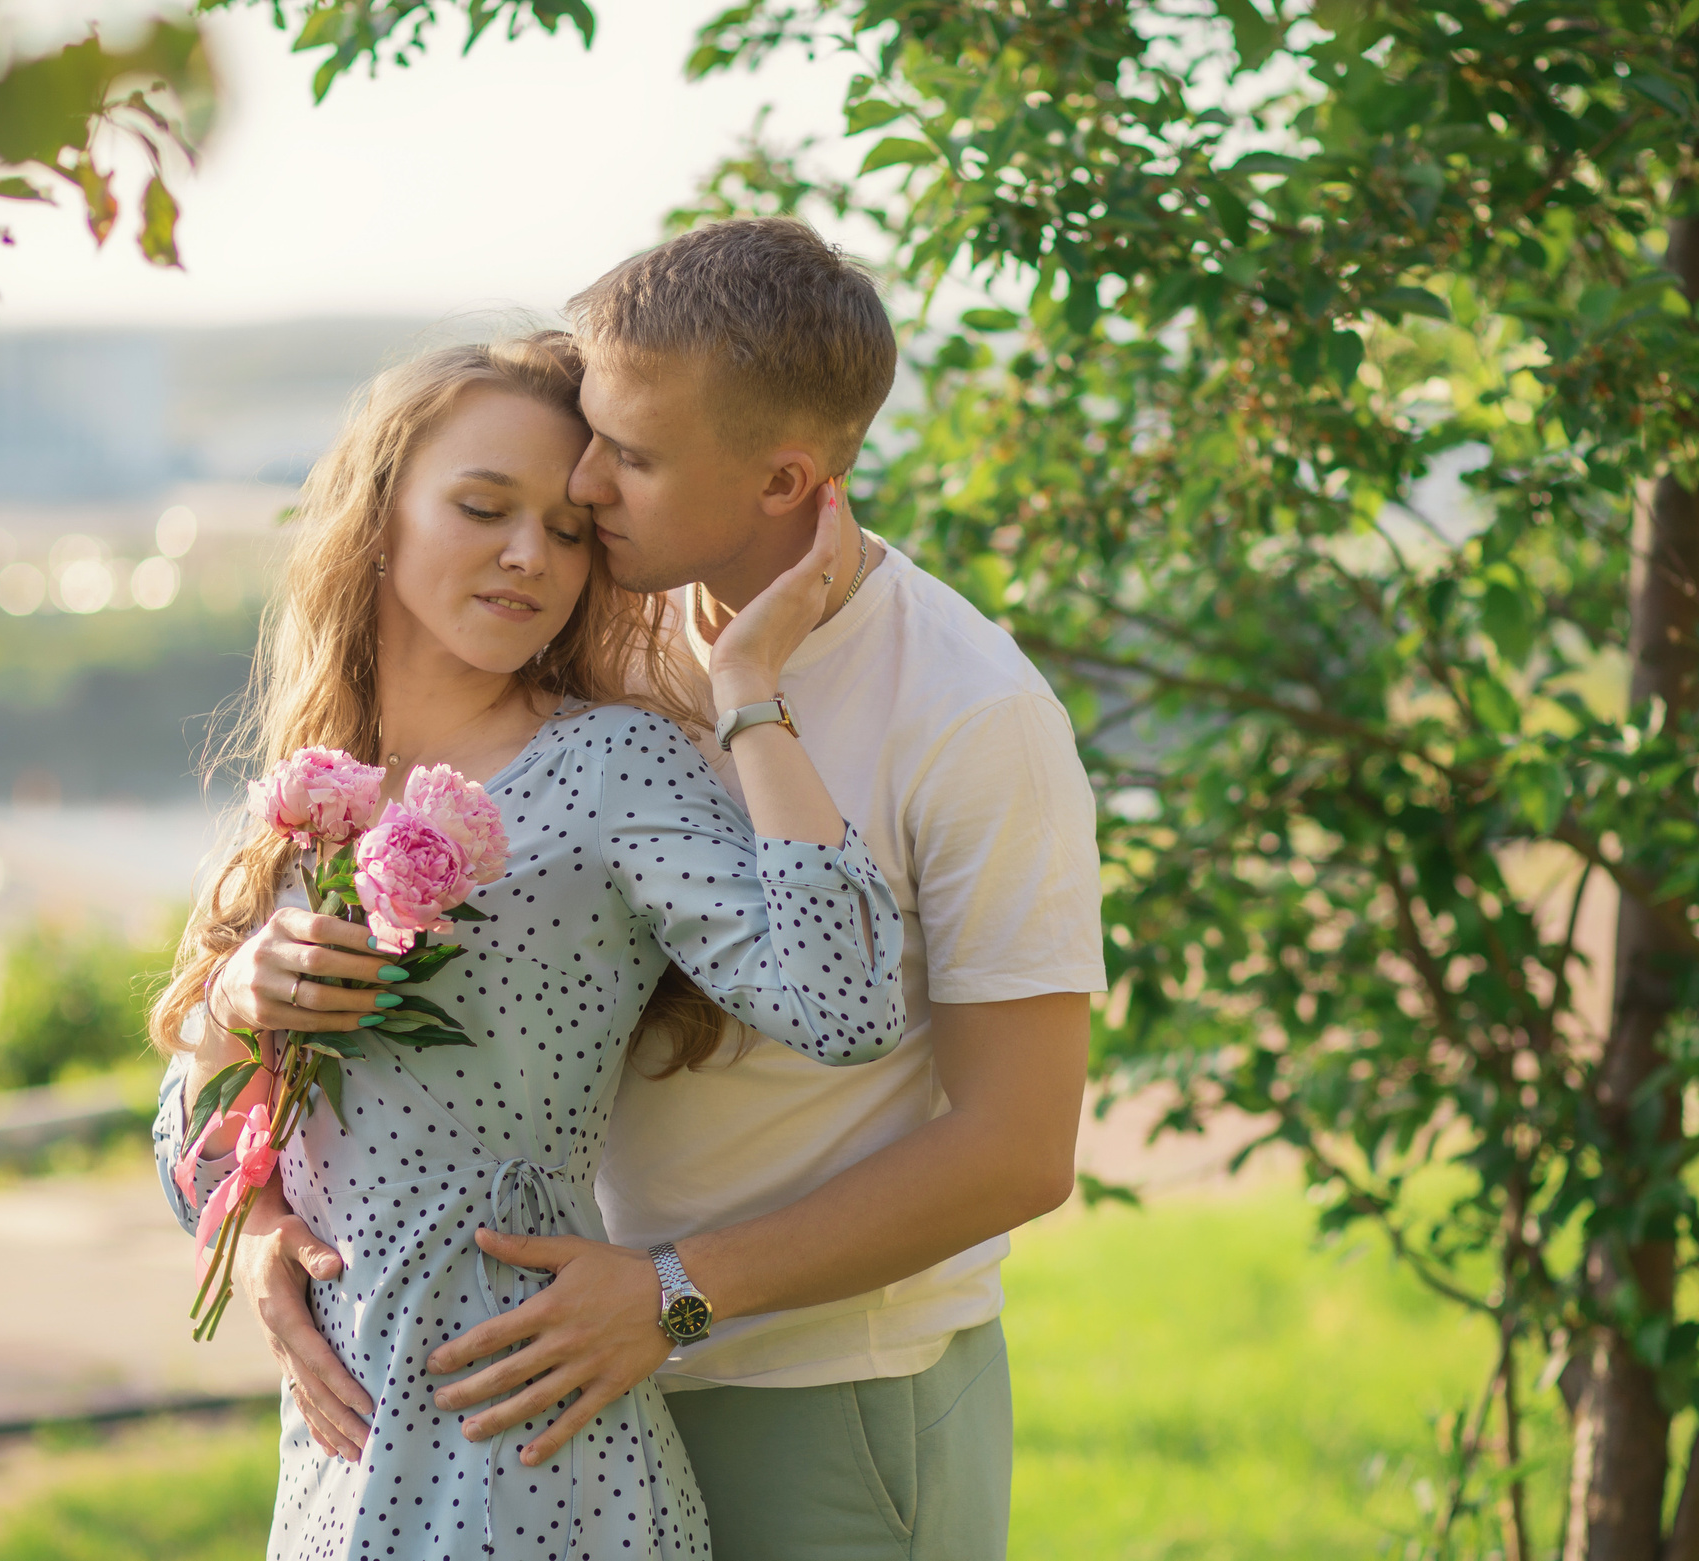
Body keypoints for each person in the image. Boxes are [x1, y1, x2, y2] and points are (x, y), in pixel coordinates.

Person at [216, 220, 1106, 1560]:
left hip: (818, 1391)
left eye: (620, 461)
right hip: (539, 1367)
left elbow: (1018, 1150)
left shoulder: (972, 715)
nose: (579, 486)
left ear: (782, 478)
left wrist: (674, 1295)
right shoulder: (604, 628)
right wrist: (276, 1218)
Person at [148, 329, 908, 1560]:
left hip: (526, 1448)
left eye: (566, 530)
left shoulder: (612, 765)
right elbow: (191, 1133)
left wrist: (750, 685)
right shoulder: (306, 794)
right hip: (338, 1454)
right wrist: (257, 1216)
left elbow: (849, 998)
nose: (528, 556)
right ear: (375, 515)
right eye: (483, 507)